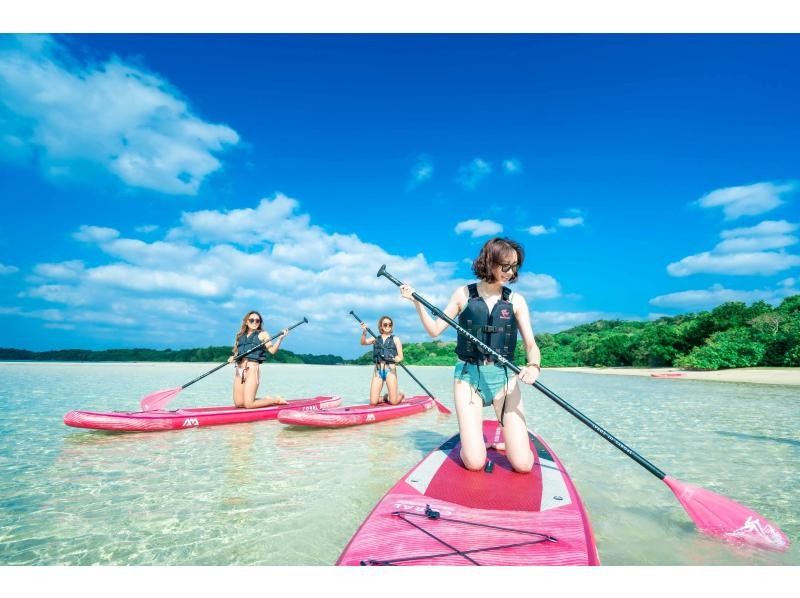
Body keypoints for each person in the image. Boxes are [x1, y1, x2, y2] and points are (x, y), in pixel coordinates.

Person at [399, 237, 541, 473]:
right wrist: (416, 302)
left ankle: (505, 441)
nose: (510, 271)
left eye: (514, 266)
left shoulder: (516, 301)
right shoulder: (463, 294)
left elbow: (531, 345)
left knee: (523, 465)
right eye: (505, 265)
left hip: (505, 380)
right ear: (490, 261)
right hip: (468, 378)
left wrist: (534, 365)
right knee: (475, 463)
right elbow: (435, 330)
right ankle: (474, 445)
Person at [228, 311, 289, 409]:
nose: (255, 322)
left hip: (252, 370)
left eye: (257, 320)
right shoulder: (239, 335)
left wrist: (280, 339)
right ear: (246, 322)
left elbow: (272, 351)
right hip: (239, 370)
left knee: (248, 405)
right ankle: (265, 399)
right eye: (251, 320)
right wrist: (233, 357)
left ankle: (276, 400)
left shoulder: (263, 334)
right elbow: (236, 353)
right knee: (239, 403)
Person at [360, 316, 406, 406]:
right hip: (378, 371)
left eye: (390, 324)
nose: (388, 326)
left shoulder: (396, 339)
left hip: (390, 371)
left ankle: (401, 395)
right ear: (381, 326)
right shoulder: (375, 338)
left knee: (393, 402)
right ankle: (385, 397)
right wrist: (364, 332)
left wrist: (398, 358)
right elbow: (363, 343)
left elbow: (401, 357)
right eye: (385, 324)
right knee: (373, 402)